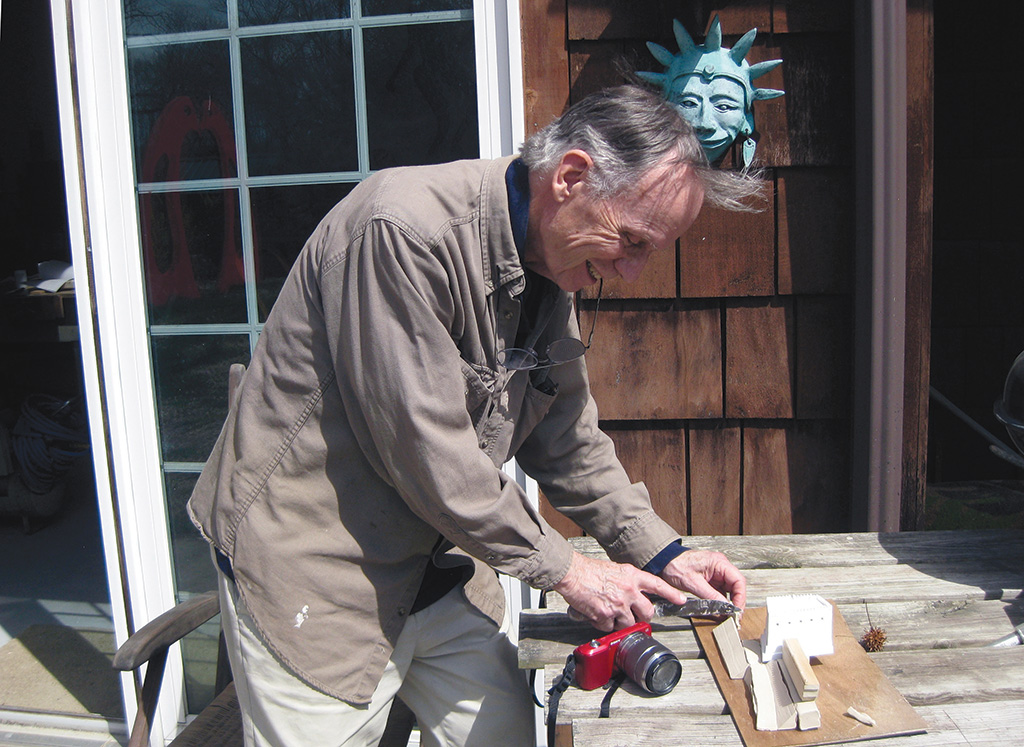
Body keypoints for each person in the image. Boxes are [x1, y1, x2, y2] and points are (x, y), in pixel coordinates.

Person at [188, 85, 759, 747]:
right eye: (631, 240)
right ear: (571, 177)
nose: (631, 271)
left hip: (438, 570)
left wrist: (662, 553)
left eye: (649, 251)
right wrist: (570, 572)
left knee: (509, 736)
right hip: (316, 577)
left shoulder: (557, 263)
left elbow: (567, 437)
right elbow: (430, 457)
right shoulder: (401, 234)